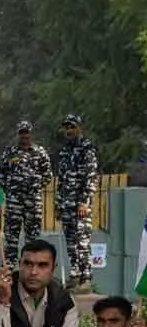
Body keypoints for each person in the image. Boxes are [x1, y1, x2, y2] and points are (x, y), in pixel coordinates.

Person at [0, 121, 52, 265]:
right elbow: (1, 175)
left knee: (33, 239)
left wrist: (35, 187)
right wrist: (9, 189)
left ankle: (30, 265)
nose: (24, 136)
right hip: (14, 202)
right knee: (11, 238)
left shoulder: (40, 152)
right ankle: (10, 268)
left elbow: (47, 175)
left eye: (26, 132)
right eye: (21, 132)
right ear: (18, 134)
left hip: (33, 202)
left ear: (31, 133)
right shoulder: (10, 152)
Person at [55, 114, 100, 292]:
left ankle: (86, 278)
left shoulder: (87, 148)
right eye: (66, 128)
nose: (69, 131)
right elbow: (61, 180)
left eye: (72, 127)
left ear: (79, 129)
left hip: (80, 205)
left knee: (82, 241)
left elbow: (91, 177)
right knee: (70, 242)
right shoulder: (65, 151)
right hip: (67, 204)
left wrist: (85, 202)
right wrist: (58, 204)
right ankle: (75, 277)